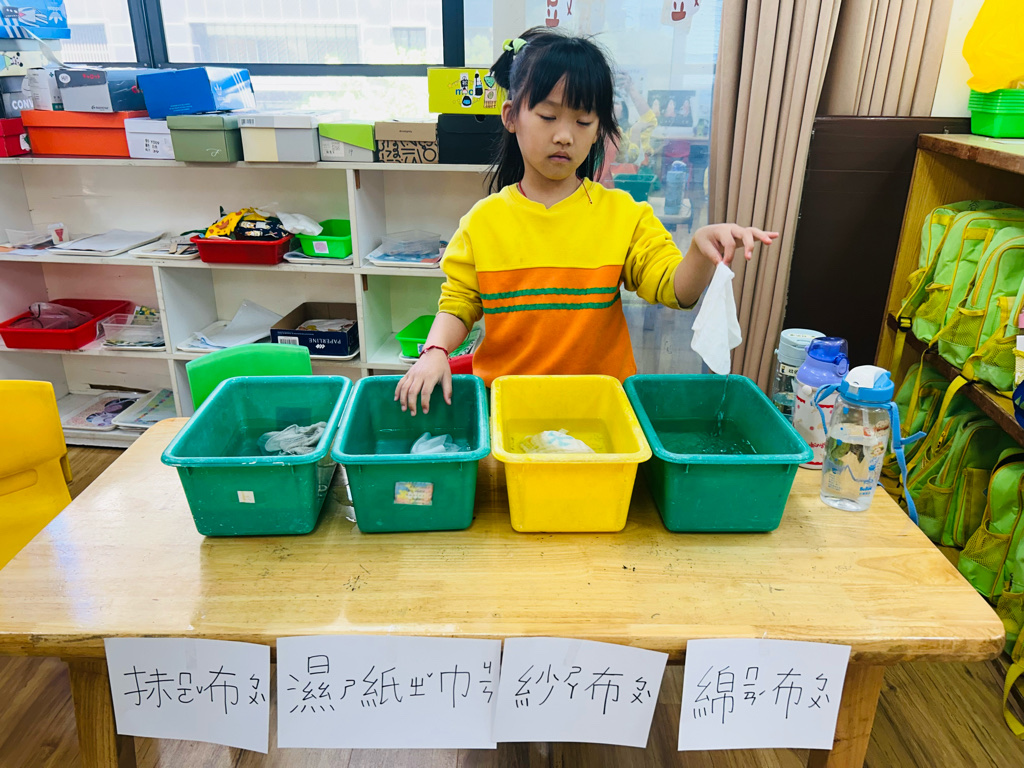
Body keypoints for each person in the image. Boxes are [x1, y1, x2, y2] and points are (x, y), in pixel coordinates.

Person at [395, 27, 777, 415]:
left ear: (598, 131)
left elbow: (673, 289)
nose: (564, 135)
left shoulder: (623, 214)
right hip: (510, 409)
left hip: (600, 411)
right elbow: (459, 302)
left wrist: (698, 251)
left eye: (583, 121)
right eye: (548, 116)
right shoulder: (483, 221)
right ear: (511, 116)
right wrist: (435, 350)